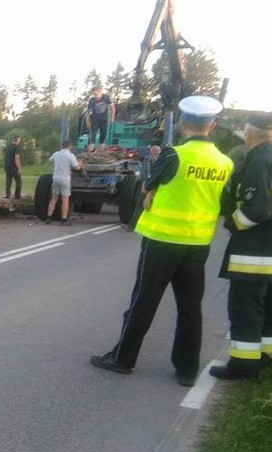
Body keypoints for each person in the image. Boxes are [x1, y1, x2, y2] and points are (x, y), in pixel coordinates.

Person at [89, 96, 234, 387]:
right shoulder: (225, 162)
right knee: (190, 307)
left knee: (143, 300)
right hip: (198, 244)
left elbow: (147, 185)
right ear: (213, 125)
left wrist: (150, 191)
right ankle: (187, 369)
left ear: (183, 123)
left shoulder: (173, 155)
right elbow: (225, 203)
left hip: (162, 241)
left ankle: (123, 359)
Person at [209, 113, 272, 380]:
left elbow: (258, 209)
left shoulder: (259, 162)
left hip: (255, 255)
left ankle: (243, 364)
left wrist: (233, 223)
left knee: (245, 309)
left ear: (248, 134)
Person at [44, 139, 87, 226]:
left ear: (62, 146)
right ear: (70, 146)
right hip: (65, 179)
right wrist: (81, 163)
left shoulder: (56, 154)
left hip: (55, 178)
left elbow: (50, 161)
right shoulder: (70, 155)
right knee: (65, 200)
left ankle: (48, 218)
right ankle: (63, 220)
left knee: (54, 199)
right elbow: (77, 168)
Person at [127, 145, 163, 230]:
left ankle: (132, 226)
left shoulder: (148, 159)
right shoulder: (161, 159)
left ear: (151, 151)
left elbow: (147, 173)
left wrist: (146, 184)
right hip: (158, 187)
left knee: (139, 206)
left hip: (148, 186)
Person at [85, 86, 116, 152]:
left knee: (103, 137)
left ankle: (101, 152)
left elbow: (112, 106)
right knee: (92, 137)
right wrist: (88, 121)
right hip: (95, 120)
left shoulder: (105, 97)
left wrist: (112, 118)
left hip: (104, 120)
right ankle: (90, 152)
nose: (95, 96)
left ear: (100, 92)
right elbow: (87, 111)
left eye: (96, 94)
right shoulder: (92, 100)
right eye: (94, 95)